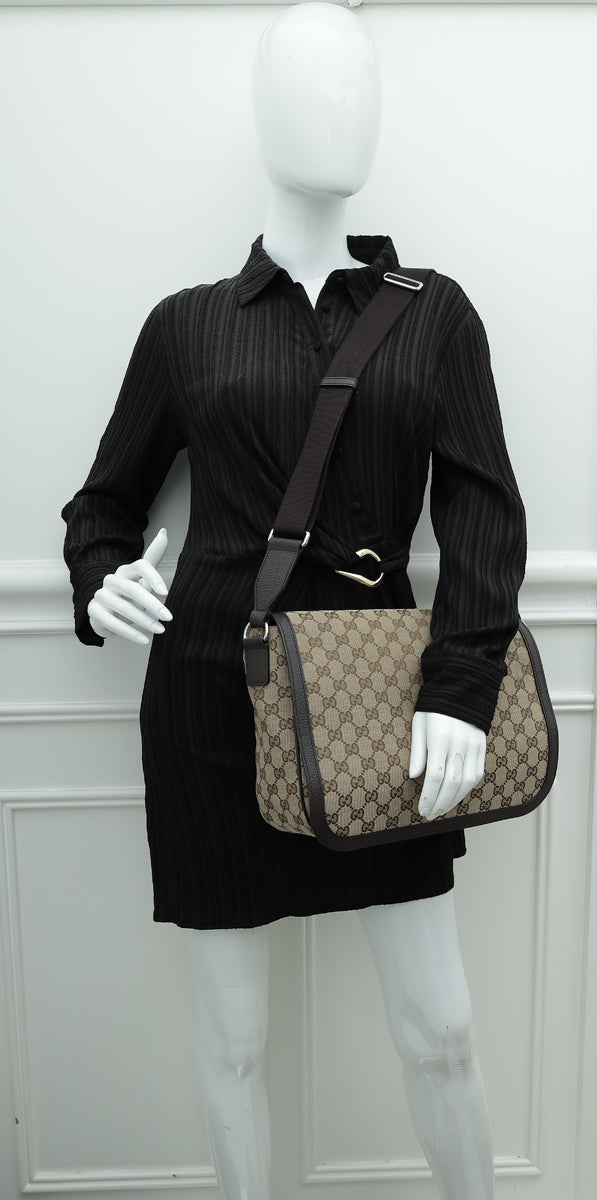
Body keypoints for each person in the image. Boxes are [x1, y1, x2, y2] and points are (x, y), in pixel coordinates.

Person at [61, 5, 526, 1197]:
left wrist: (464, 682)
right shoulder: (186, 326)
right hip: (214, 703)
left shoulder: (434, 312)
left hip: (392, 710)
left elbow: (484, 511)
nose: (345, 106)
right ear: (263, 111)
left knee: (443, 1032)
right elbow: (103, 504)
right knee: (233, 1042)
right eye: (316, 81)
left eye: (363, 80)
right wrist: (101, 581)